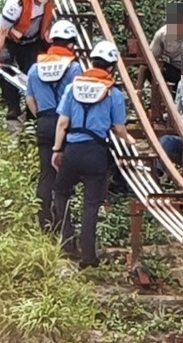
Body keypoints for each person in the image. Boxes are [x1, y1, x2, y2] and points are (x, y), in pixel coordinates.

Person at [52, 40, 132, 269]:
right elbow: (119, 128)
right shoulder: (113, 93)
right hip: (96, 152)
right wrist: (129, 140)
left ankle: (67, 239)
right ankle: (88, 257)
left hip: (72, 149)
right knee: (91, 205)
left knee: (61, 192)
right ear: (111, 67)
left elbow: (63, 122)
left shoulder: (72, 87)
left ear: (93, 62)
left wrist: (57, 149)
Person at [0, 0, 95, 127]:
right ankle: (13, 110)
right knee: (5, 67)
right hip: (10, 38)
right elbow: (1, 32)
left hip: (31, 39)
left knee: (33, 73)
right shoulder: (16, 2)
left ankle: (32, 114)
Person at [25, 19, 83, 233]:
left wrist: (42, 117)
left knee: (46, 174)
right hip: (65, 126)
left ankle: (44, 223)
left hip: (44, 121)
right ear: (70, 44)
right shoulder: (74, 68)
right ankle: (64, 224)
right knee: (65, 176)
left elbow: (30, 100)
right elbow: (78, 99)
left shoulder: (34, 68)